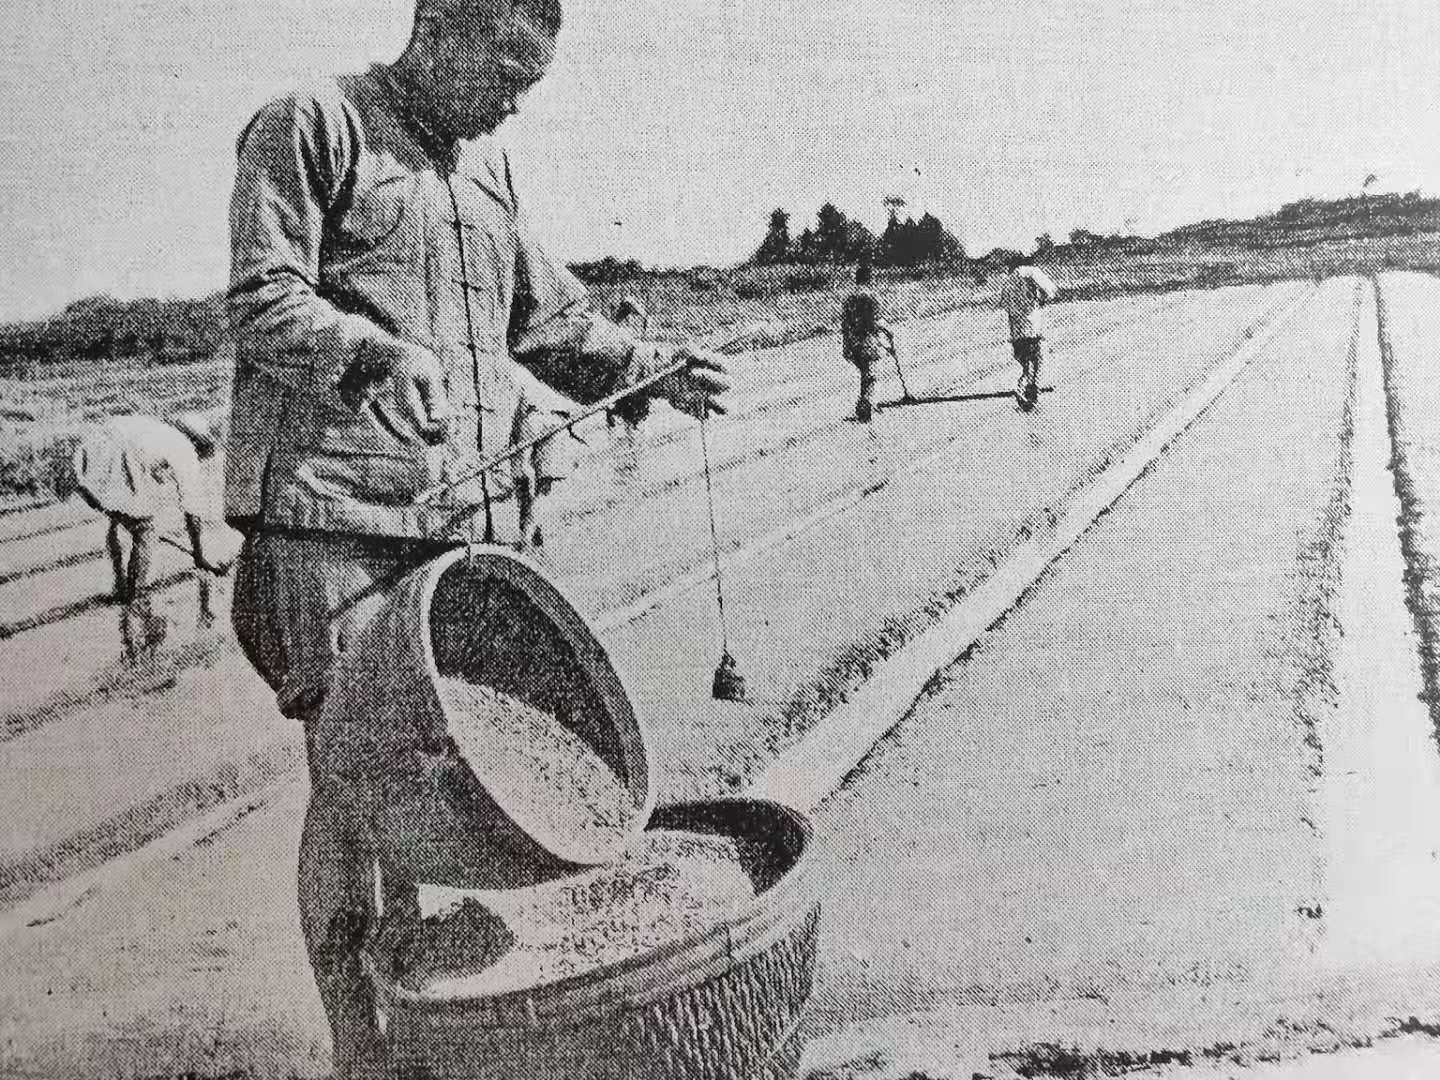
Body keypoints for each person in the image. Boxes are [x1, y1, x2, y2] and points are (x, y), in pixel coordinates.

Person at [223, 1, 729, 1075]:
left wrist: (650, 369)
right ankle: (360, 1049)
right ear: (439, 31)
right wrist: (371, 352)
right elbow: (262, 299)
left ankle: (420, 1028)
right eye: (505, 74)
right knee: (354, 787)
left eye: (529, 86)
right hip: (335, 513)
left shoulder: (487, 171)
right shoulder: (314, 123)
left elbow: (546, 321)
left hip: (455, 516)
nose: (513, 104)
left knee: (434, 785)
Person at [72, 410, 232, 649]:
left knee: (117, 516)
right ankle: (136, 597)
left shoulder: (158, 431)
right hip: (116, 456)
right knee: (144, 530)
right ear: (197, 443)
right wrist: (200, 556)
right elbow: (192, 512)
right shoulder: (184, 450)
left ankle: (121, 584)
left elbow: (146, 465)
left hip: (89, 456)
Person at [998, 254, 1059, 410]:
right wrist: (1041, 300)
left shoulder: (1009, 278)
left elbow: (1004, 303)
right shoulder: (1032, 272)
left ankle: (1024, 387)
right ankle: (1030, 388)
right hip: (1032, 324)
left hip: (1016, 330)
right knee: (1037, 357)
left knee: (1026, 363)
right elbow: (1051, 290)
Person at [840, 258, 894, 421]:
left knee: (865, 373)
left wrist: (846, 344)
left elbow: (845, 323)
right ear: (870, 278)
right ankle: (866, 404)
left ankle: (865, 403)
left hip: (852, 340)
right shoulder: (871, 297)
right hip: (867, 339)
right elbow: (875, 320)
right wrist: (888, 332)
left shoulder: (849, 298)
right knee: (870, 374)